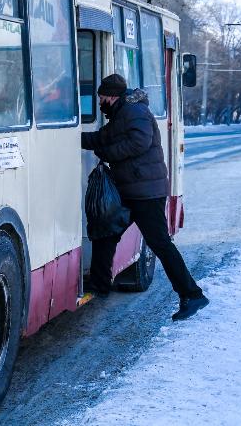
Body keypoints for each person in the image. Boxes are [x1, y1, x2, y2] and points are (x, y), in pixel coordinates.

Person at [81, 73, 209, 321]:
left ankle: (192, 295)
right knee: (106, 231)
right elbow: (103, 137)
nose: (99, 102)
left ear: (110, 96)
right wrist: (74, 139)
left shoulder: (134, 111)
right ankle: (100, 285)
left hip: (146, 193)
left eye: (101, 97)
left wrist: (106, 153)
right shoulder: (121, 113)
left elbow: (139, 142)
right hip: (132, 190)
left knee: (160, 243)